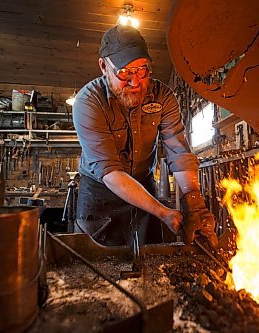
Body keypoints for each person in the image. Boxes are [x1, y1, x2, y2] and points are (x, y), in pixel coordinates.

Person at [72, 24, 217, 248]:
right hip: (100, 196)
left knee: (150, 265)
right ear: (103, 66)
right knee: (97, 266)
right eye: (125, 72)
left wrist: (194, 202)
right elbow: (110, 172)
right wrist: (162, 212)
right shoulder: (88, 102)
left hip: (144, 188)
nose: (136, 82)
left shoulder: (162, 97)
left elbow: (178, 153)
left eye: (142, 69)